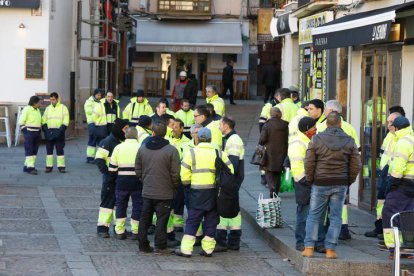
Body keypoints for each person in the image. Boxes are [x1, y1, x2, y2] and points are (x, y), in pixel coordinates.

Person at [302, 112, 361, 259]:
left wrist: (310, 179)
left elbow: (309, 162)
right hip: (340, 183)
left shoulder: (317, 139)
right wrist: (348, 181)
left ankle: (309, 248)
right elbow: (356, 165)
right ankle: (330, 250)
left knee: (314, 215)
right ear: (340, 124)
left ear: (326, 124)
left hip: (320, 182)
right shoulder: (349, 140)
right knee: (336, 217)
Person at [175, 128, 234, 258]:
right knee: (211, 220)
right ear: (210, 138)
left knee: (192, 220)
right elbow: (230, 170)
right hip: (213, 192)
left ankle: (186, 249)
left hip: (196, 192)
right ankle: (208, 249)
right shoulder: (218, 152)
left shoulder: (191, 153)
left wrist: (187, 184)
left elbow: (184, 174)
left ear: (198, 138)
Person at [316, 100, 360, 240]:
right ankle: (343, 228)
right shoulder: (350, 127)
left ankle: (324, 228)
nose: (323, 113)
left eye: (325, 110)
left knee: (323, 200)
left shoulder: (321, 126)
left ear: (330, 112)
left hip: (325, 170)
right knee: (342, 200)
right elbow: (357, 151)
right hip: (344, 170)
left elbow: (316, 150)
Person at [136, 121, 181, 254]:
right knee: (162, 220)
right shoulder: (172, 150)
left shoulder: (143, 148)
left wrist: (144, 180)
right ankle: (160, 246)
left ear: (153, 133)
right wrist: (174, 186)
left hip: (148, 190)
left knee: (144, 219)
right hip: (165, 192)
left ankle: (143, 245)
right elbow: (175, 173)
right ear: (165, 134)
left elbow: (137, 169)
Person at [288, 117, 325, 252]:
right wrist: (307, 180)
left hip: (314, 181)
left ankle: (318, 242)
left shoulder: (311, 140)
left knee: (318, 213)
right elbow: (297, 166)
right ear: (307, 129)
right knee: (304, 213)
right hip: (303, 182)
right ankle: (301, 241)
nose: (315, 130)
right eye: (313, 128)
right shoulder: (298, 143)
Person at [381, 116, 414, 258]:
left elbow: (398, 169)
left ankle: (395, 248)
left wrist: (391, 185)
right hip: (411, 184)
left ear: (397, 128)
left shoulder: (402, 142)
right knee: (408, 214)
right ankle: (408, 246)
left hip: (402, 183)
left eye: (392, 126)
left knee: (389, 213)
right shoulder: (411, 138)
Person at [364, 112, 401, 239]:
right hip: (385, 173)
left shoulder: (402, 138)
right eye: (388, 122)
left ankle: (388, 232)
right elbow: (383, 153)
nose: (388, 125)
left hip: (393, 175)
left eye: (391, 122)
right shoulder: (389, 135)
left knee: (390, 204)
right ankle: (379, 228)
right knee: (381, 202)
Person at [215, 117, 245, 252]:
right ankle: (233, 242)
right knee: (233, 211)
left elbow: (232, 165)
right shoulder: (232, 138)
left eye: (220, 124)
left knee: (222, 210)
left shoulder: (233, 140)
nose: (219, 126)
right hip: (232, 182)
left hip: (229, 182)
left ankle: (221, 241)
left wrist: (223, 180)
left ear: (226, 126)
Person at [95, 118, 128, 238]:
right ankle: (102, 228)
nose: (126, 131)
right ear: (119, 129)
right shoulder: (107, 141)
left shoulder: (123, 142)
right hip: (110, 179)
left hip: (120, 179)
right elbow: (99, 159)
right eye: (125, 128)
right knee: (107, 204)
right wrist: (107, 174)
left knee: (119, 204)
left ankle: (118, 228)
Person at [109, 127, 143, 240]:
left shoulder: (118, 148)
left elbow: (112, 168)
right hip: (137, 183)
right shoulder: (141, 148)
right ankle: (135, 231)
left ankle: (120, 231)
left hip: (122, 182)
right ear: (136, 135)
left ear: (125, 135)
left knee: (120, 206)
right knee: (137, 206)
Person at [259, 107, 289, 196]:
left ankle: (271, 188)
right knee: (278, 173)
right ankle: (276, 191)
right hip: (282, 152)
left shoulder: (267, 125)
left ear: (271, 114)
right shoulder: (285, 125)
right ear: (280, 114)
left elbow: (262, 140)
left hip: (269, 153)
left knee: (269, 172)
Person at [42, 92, 69, 173]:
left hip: (59, 132)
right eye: (50, 99)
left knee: (60, 150)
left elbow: (66, 119)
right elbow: (43, 119)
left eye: (53, 99)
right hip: (49, 132)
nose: (52, 101)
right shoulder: (48, 108)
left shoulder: (63, 108)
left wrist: (61, 130)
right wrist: (46, 129)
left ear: (57, 99)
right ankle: (49, 166)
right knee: (49, 151)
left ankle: (61, 167)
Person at [20, 96, 42, 175]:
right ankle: (30, 168)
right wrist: (25, 131)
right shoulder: (27, 109)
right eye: (39, 102)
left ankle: (26, 166)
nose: (40, 104)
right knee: (29, 149)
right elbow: (21, 121)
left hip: (37, 133)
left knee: (34, 150)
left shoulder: (38, 110)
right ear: (34, 103)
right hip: (29, 133)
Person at [84, 89, 103, 163]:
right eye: (98, 95)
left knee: (98, 139)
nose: (100, 96)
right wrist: (97, 111)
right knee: (92, 139)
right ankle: (90, 158)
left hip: (98, 123)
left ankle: (96, 157)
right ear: (94, 95)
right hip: (92, 123)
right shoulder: (89, 102)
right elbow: (89, 111)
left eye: (100, 95)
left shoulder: (100, 102)